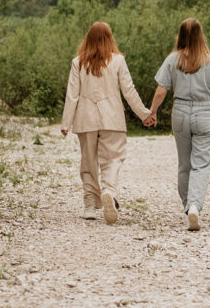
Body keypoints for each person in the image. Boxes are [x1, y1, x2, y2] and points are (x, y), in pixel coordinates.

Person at [148, 18, 210, 231]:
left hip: (180, 113)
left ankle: (187, 207)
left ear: (180, 35)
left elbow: (161, 90)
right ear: (201, 35)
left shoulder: (172, 59)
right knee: (201, 164)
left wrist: (152, 112)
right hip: (204, 114)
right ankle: (194, 207)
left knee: (184, 164)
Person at [61, 22, 154, 224]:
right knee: (113, 159)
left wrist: (65, 123)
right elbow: (129, 91)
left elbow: (72, 95)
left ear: (88, 38)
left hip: (85, 119)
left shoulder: (78, 62)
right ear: (110, 38)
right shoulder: (118, 61)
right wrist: (144, 114)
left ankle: (90, 206)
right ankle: (109, 192)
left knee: (88, 162)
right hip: (112, 118)